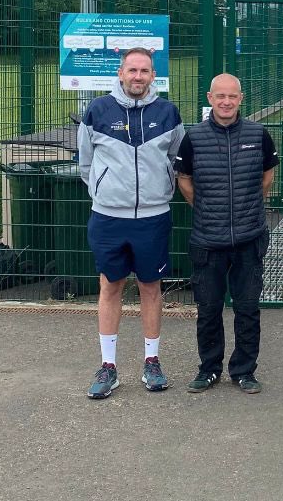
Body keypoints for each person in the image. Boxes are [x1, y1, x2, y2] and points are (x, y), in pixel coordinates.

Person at [77, 47, 184, 399]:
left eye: (145, 71)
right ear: (121, 73)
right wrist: (104, 190)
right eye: (132, 70)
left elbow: (176, 159)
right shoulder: (97, 111)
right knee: (110, 285)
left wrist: (159, 188)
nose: (138, 77)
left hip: (153, 218)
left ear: (154, 76)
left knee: (151, 288)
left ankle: (151, 361)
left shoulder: (168, 113)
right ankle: (108, 366)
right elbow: (85, 163)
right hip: (108, 217)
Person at [175, 73, 279, 396]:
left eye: (232, 96)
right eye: (220, 96)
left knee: (248, 308)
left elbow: (267, 176)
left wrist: (246, 210)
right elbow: (184, 181)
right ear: (209, 98)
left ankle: (244, 371)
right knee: (208, 309)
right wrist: (207, 209)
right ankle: (209, 369)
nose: (226, 102)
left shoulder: (258, 134)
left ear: (241, 98)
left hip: (249, 238)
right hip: (208, 241)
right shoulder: (193, 138)